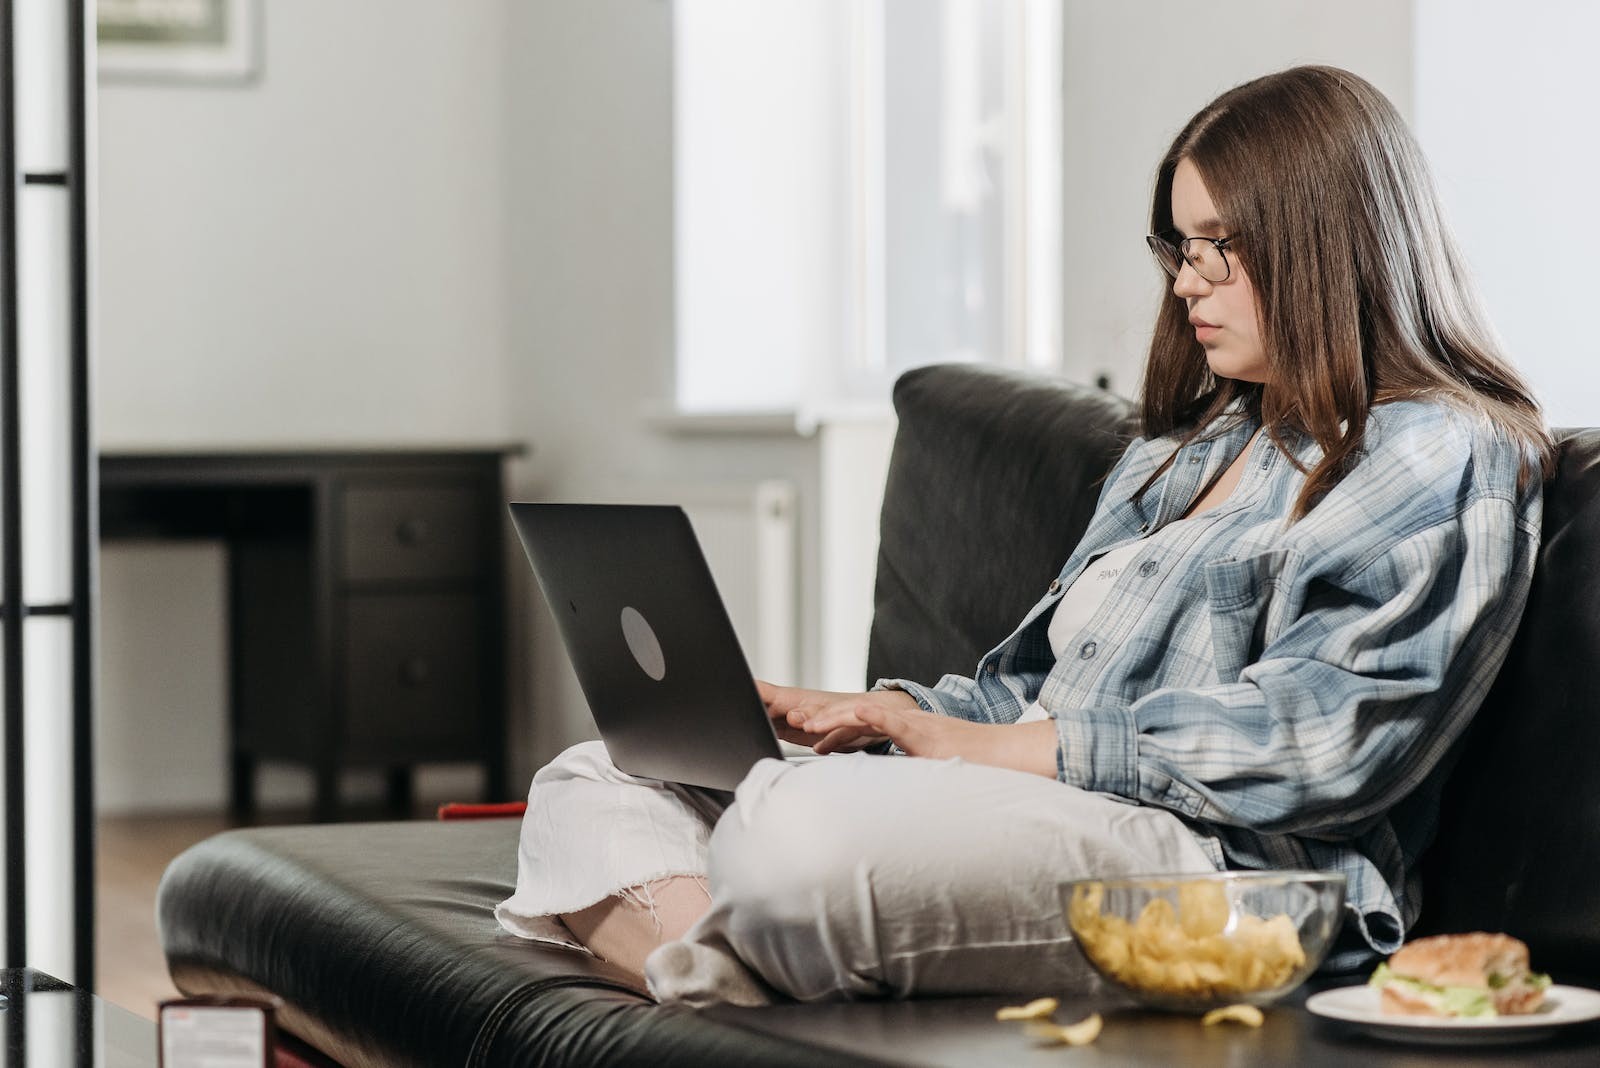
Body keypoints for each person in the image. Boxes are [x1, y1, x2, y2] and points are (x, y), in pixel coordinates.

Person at [494, 65, 1554, 1006]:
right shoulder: (1182, 451)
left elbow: (1327, 741)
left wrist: (998, 751)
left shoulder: (1434, 451)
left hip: (1231, 870)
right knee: (595, 776)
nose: (1185, 280)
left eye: (1217, 249)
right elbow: (1032, 689)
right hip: (1053, 801)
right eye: (1177, 247)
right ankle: (720, 975)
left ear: (1327, 246)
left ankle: (740, 940)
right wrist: (890, 715)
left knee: (793, 834)